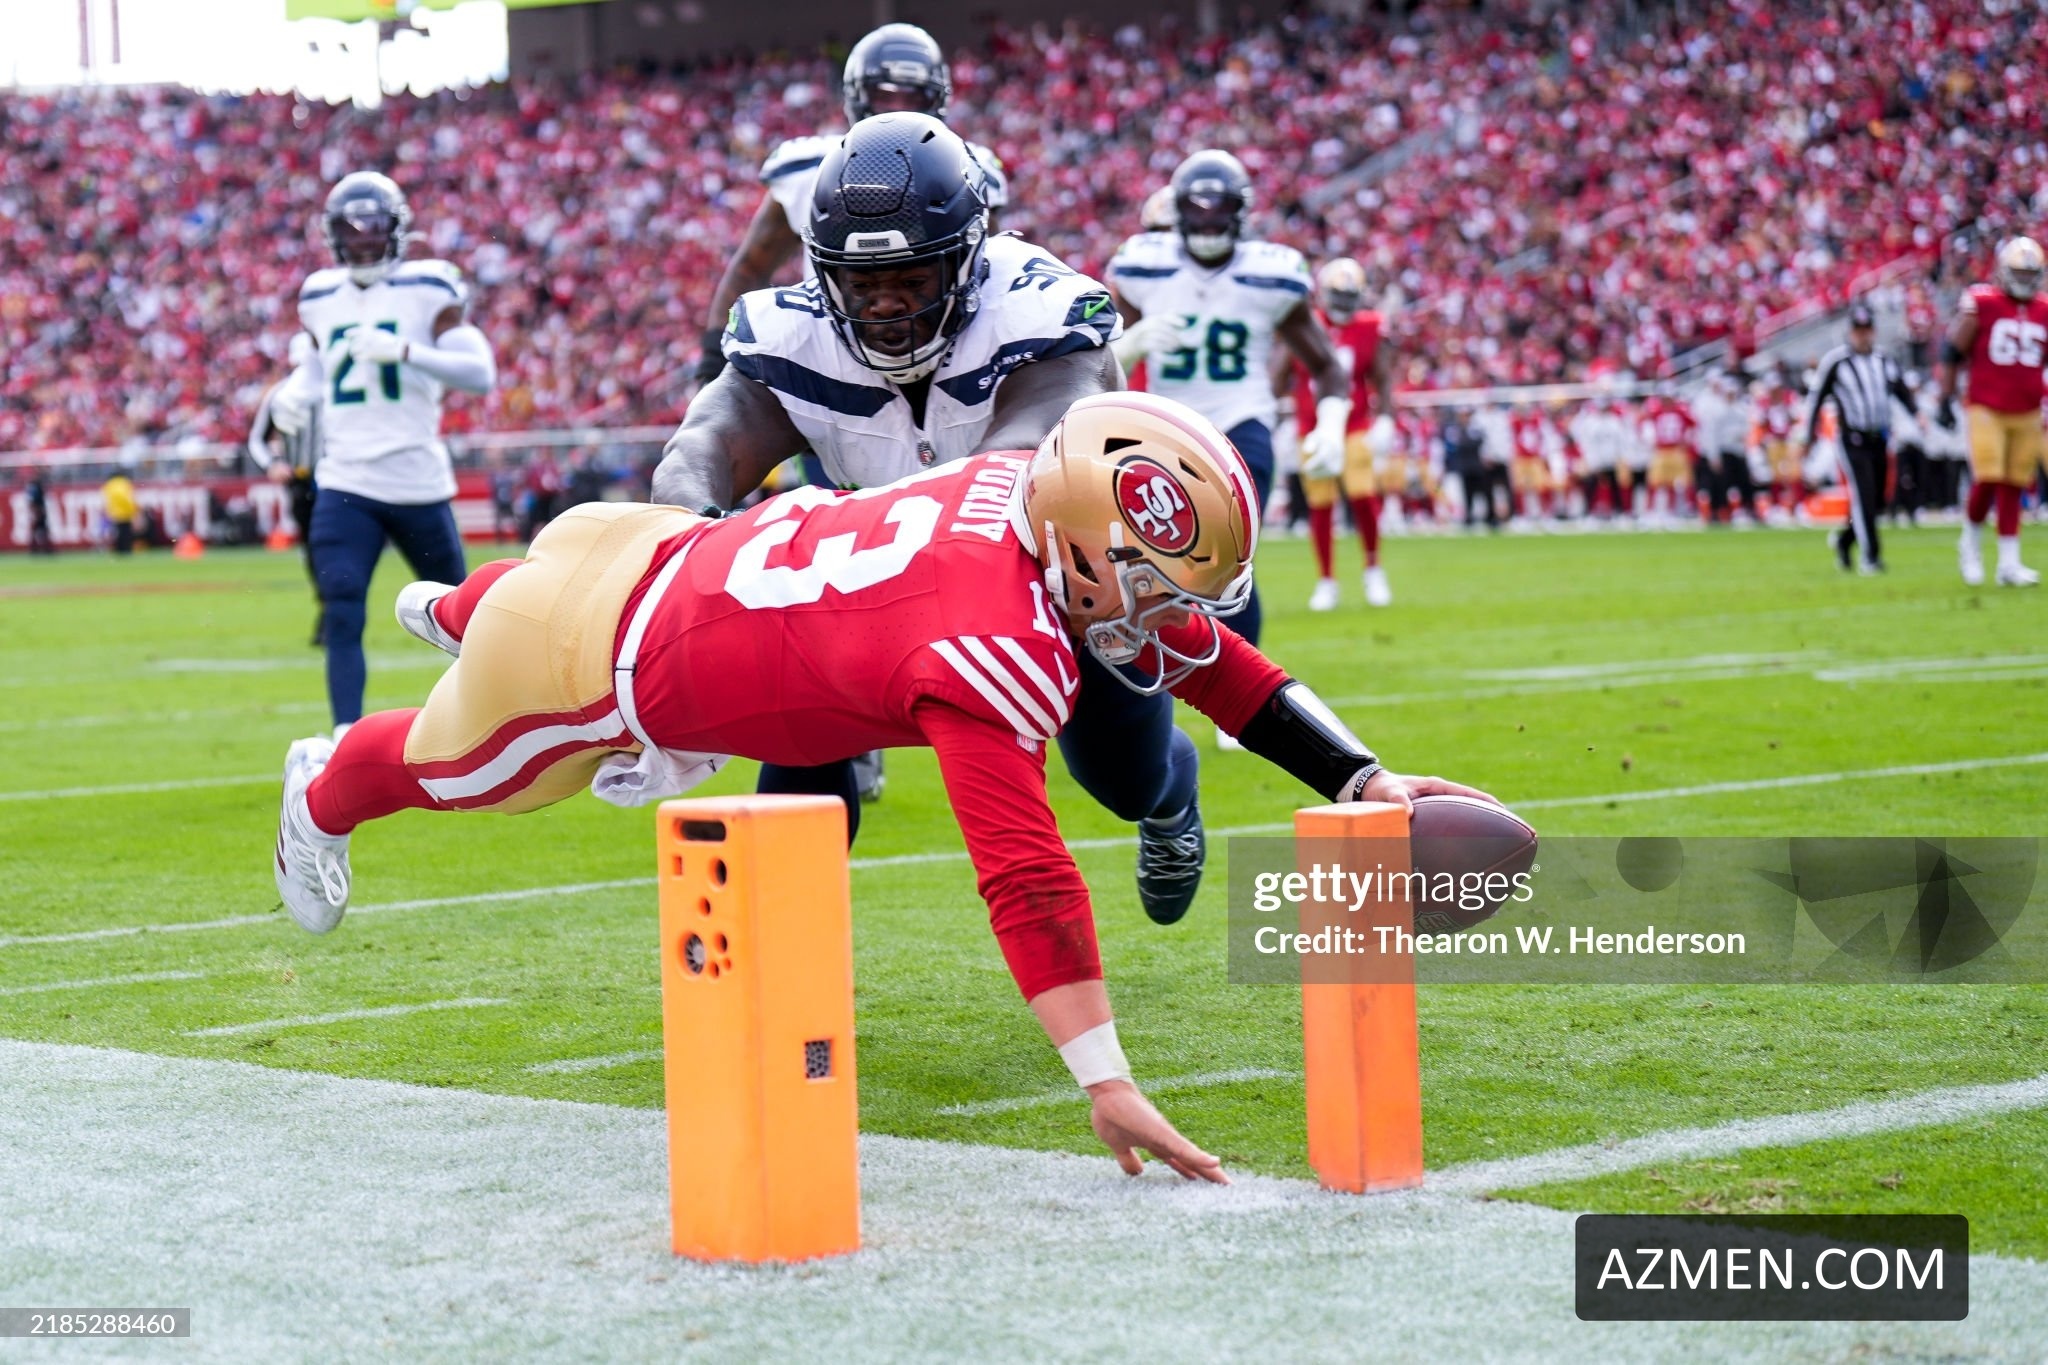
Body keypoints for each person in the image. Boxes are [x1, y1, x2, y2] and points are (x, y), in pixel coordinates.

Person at [271, 391, 1497, 1185]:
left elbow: (1207, 659)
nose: (1166, 620)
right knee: (465, 776)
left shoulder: (1021, 490)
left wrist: (1359, 776)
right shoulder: (990, 642)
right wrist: (1106, 1079)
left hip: (652, 543)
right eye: (1153, 590)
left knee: (536, 598)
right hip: (599, 663)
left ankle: (459, 605)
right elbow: (1024, 874)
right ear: (1085, 549)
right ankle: (322, 789)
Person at [649, 113, 1214, 925]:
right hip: (884, 570)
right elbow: (703, 445)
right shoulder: (793, 332)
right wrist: (686, 530)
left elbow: (1018, 457)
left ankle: (1172, 800)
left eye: (911, 279)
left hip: (1057, 570)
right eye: (860, 283)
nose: (884, 304)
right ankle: (777, 958)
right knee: (797, 736)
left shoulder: (1038, 310)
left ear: (966, 261)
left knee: (1123, 777)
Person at [270, 172, 497, 737]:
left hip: (417, 480)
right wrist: (293, 394)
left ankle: (488, 723)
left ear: (396, 230)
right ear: (332, 235)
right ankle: (345, 733)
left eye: (373, 228)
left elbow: (480, 374)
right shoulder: (320, 294)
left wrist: (405, 351)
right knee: (341, 604)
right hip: (346, 481)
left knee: (460, 617)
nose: (363, 240)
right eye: (350, 230)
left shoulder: (429, 285)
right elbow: (316, 368)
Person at [1105, 149, 1349, 649]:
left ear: (1240, 212)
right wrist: (1130, 344)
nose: (1207, 221)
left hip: (1242, 425)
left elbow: (1326, 365)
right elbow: (1094, 362)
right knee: (1156, 562)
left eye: (1218, 209)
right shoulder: (1142, 265)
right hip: (1166, 431)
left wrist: (1332, 426)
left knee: (1226, 559)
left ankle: (1241, 686)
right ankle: (1171, 667)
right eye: (1196, 209)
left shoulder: (1271, 274)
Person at [688, 23, 1008, 398]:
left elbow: (994, 270)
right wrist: (713, 364)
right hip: (839, 366)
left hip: (946, 357)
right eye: (884, 97)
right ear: (857, 97)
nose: (898, 110)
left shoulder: (968, 169)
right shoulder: (808, 170)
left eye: (913, 97)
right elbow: (750, 268)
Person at [1287, 258, 1396, 611]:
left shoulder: (1370, 326)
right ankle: (1327, 580)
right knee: (1320, 504)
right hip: (1311, 425)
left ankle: (1373, 568)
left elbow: (1382, 377)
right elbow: (1281, 371)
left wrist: (1386, 418)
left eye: (1351, 296)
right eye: (1339, 295)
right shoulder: (1304, 323)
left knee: (1362, 494)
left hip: (1354, 422)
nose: (1345, 303)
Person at [1939, 236, 2047, 587]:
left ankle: (2009, 564)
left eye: (2030, 273)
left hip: (2027, 409)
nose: (2025, 279)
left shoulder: (2044, 309)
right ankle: (1970, 544)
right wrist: (1944, 398)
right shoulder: (1983, 302)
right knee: (1988, 476)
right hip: (1986, 405)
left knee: (2015, 483)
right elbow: (1952, 351)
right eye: (2019, 272)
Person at [1801, 304, 1915, 574]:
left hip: (1879, 438)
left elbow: (1901, 390)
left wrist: (1916, 413)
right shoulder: (1836, 361)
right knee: (1864, 496)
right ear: (1850, 332)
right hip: (1852, 439)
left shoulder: (1884, 359)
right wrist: (1807, 436)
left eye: (1866, 329)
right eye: (1858, 330)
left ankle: (1844, 540)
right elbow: (1816, 399)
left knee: (1877, 500)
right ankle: (1871, 557)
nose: (1863, 335)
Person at [248, 332, 326, 643]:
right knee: (314, 548)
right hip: (302, 482)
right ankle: (328, 607)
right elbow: (257, 440)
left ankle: (333, 611)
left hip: (339, 480)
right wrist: (272, 464)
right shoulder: (281, 394)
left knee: (333, 548)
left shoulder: (336, 390)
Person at [101, 467, 138, 555]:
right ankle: (127, 550)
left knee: (118, 533)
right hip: (126, 513)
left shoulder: (108, 485)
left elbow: (107, 500)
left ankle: (119, 550)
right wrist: (133, 511)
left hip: (115, 513)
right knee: (126, 533)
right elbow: (128, 499)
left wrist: (110, 511)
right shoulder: (124, 483)